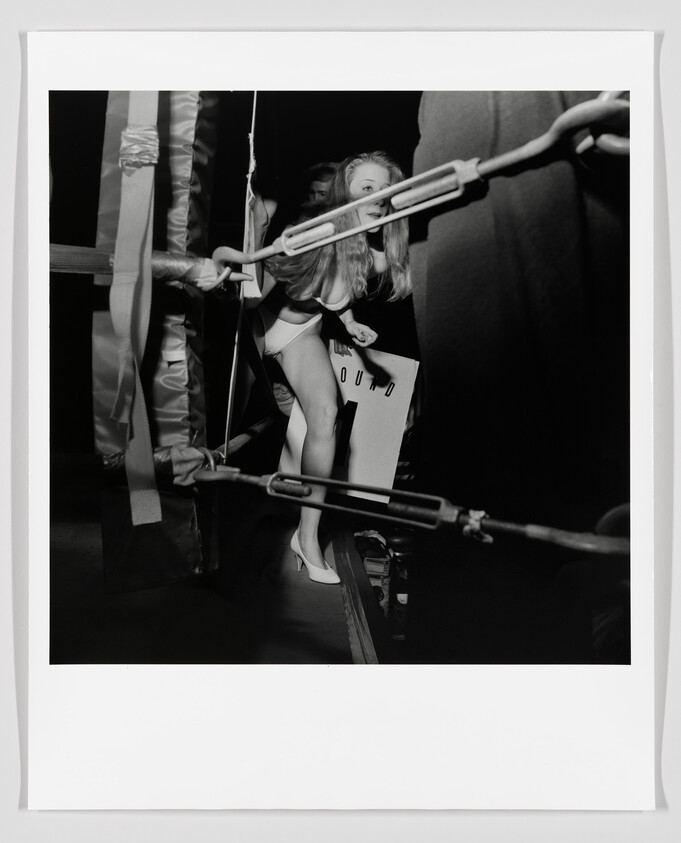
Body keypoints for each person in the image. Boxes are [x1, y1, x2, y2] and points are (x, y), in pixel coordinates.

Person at [253, 151, 411, 584]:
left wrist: (352, 324)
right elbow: (253, 294)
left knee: (327, 414)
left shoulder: (373, 256)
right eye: (367, 188)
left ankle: (307, 538)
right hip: (255, 326)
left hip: (298, 335)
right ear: (345, 193)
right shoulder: (311, 233)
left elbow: (336, 295)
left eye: (385, 191)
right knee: (250, 423)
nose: (378, 199)